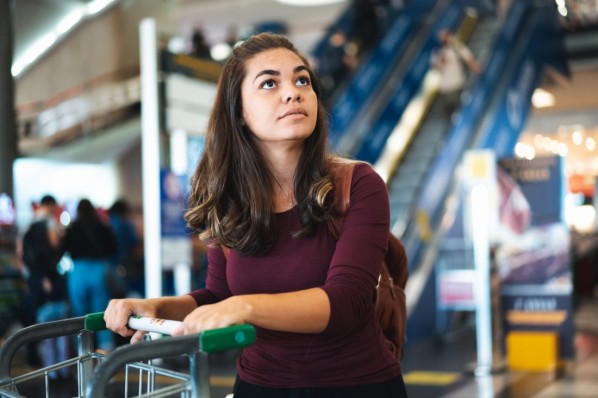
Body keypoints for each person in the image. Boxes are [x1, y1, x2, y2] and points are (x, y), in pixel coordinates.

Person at [104, 33, 407, 397]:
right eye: (268, 83)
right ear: (240, 113)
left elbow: (348, 302)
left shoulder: (357, 184)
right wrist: (158, 306)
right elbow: (219, 295)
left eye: (302, 80)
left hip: (355, 385)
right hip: (257, 385)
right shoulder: (231, 201)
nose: (293, 92)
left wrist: (245, 307)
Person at [63, 199, 118, 353]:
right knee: (101, 314)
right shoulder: (102, 226)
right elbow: (113, 248)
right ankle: (106, 353)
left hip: (78, 272)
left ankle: (83, 351)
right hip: (98, 270)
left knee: (80, 315)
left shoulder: (72, 228)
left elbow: (65, 248)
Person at [21, 194, 67, 366]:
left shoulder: (29, 225)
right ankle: (48, 359)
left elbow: (23, 254)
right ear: (48, 205)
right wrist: (43, 277)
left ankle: (36, 356)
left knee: (34, 317)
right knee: (45, 319)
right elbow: (53, 248)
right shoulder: (45, 224)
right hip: (43, 278)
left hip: (35, 277)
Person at [431, 29, 482, 120]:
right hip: (445, 90)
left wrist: (476, 69)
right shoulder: (436, 53)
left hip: (458, 86)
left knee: (463, 112)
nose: (443, 39)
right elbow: (436, 68)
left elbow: (469, 59)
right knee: (449, 116)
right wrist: (441, 61)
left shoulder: (457, 48)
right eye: (441, 37)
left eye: (445, 36)